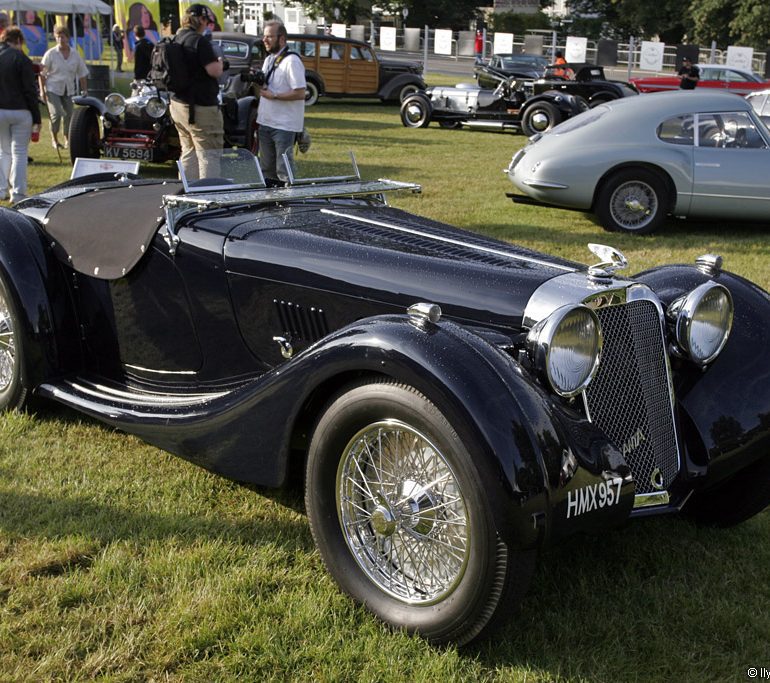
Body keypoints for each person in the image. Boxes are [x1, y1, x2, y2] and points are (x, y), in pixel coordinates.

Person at [168, 4, 224, 181]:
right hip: (200, 108)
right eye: (206, 21)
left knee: (188, 151)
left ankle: (184, 192)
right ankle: (208, 197)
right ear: (201, 19)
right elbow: (214, 70)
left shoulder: (176, 38)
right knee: (209, 155)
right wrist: (221, 63)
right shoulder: (200, 41)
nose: (207, 25)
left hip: (178, 104)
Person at [257, 20, 306, 186]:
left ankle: (290, 203)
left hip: (284, 125)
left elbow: (300, 93)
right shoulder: (269, 60)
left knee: (284, 169)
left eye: (270, 37)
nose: (265, 40)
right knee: (266, 170)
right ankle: (270, 203)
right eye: (264, 36)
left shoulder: (292, 61)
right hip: (265, 122)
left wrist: (275, 95)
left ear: (282, 39)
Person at [0, 27, 41, 203]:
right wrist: (37, 118)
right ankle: (17, 193)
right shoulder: (21, 58)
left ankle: (1, 190)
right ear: (18, 41)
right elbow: (30, 91)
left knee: (3, 152)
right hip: (21, 111)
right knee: (20, 152)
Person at [40, 26, 89, 150]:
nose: (60, 39)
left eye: (62, 36)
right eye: (58, 37)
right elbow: (42, 74)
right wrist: (42, 91)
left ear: (68, 38)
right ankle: (54, 139)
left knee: (69, 115)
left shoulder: (75, 54)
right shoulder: (50, 54)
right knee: (56, 114)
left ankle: (67, 138)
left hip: (68, 89)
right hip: (52, 88)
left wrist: (84, 90)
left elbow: (82, 73)